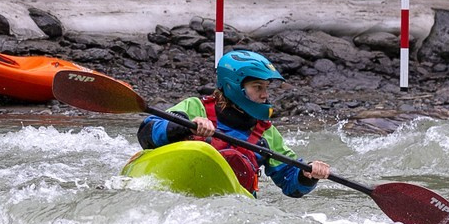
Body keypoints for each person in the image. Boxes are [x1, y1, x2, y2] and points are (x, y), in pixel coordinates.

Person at [134, 49, 333, 196]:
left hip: (231, 205)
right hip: (175, 187)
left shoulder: (266, 134)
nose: (265, 95)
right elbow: (147, 133)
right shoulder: (195, 108)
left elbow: (290, 183)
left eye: (266, 87)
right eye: (258, 87)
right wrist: (184, 125)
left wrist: (308, 175)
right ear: (233, 86)